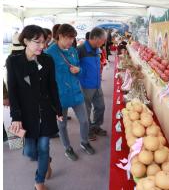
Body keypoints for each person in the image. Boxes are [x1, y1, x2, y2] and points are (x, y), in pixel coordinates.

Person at [6, 25, 63, 190]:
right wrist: (16, 116)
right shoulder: (14, 61)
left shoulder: (47, 60)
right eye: (37, 42)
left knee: (44, 147)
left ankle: (39, 181)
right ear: (25, 41)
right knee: (30, 152)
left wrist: (58, 109)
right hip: (25, 114)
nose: (42, 46)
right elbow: (13, 91)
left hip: (45, 111)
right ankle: (47, 162)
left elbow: (52, 86)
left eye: (44, 42)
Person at [45, 23, 95, 161]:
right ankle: (67, 148)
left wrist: (79, 70)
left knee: (85, 121)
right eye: (68, 38)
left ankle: (84, 142)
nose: (71, 42)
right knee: (62, 125)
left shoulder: (73, 50)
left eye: (72, 39)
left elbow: (80, 70)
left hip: (76, 93)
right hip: (59, 97)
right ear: (60, 36)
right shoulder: (49, 53)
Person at [77, 27, 107, 140]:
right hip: (85, 86)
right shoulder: (80, 50)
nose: (104, 43)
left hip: (97, 84)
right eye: (102, 40)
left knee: (101, 107)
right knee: (86, 110)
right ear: (95, 38)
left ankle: (96, 126)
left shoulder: (96, 49)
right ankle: (87, 130)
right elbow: (74, 67)